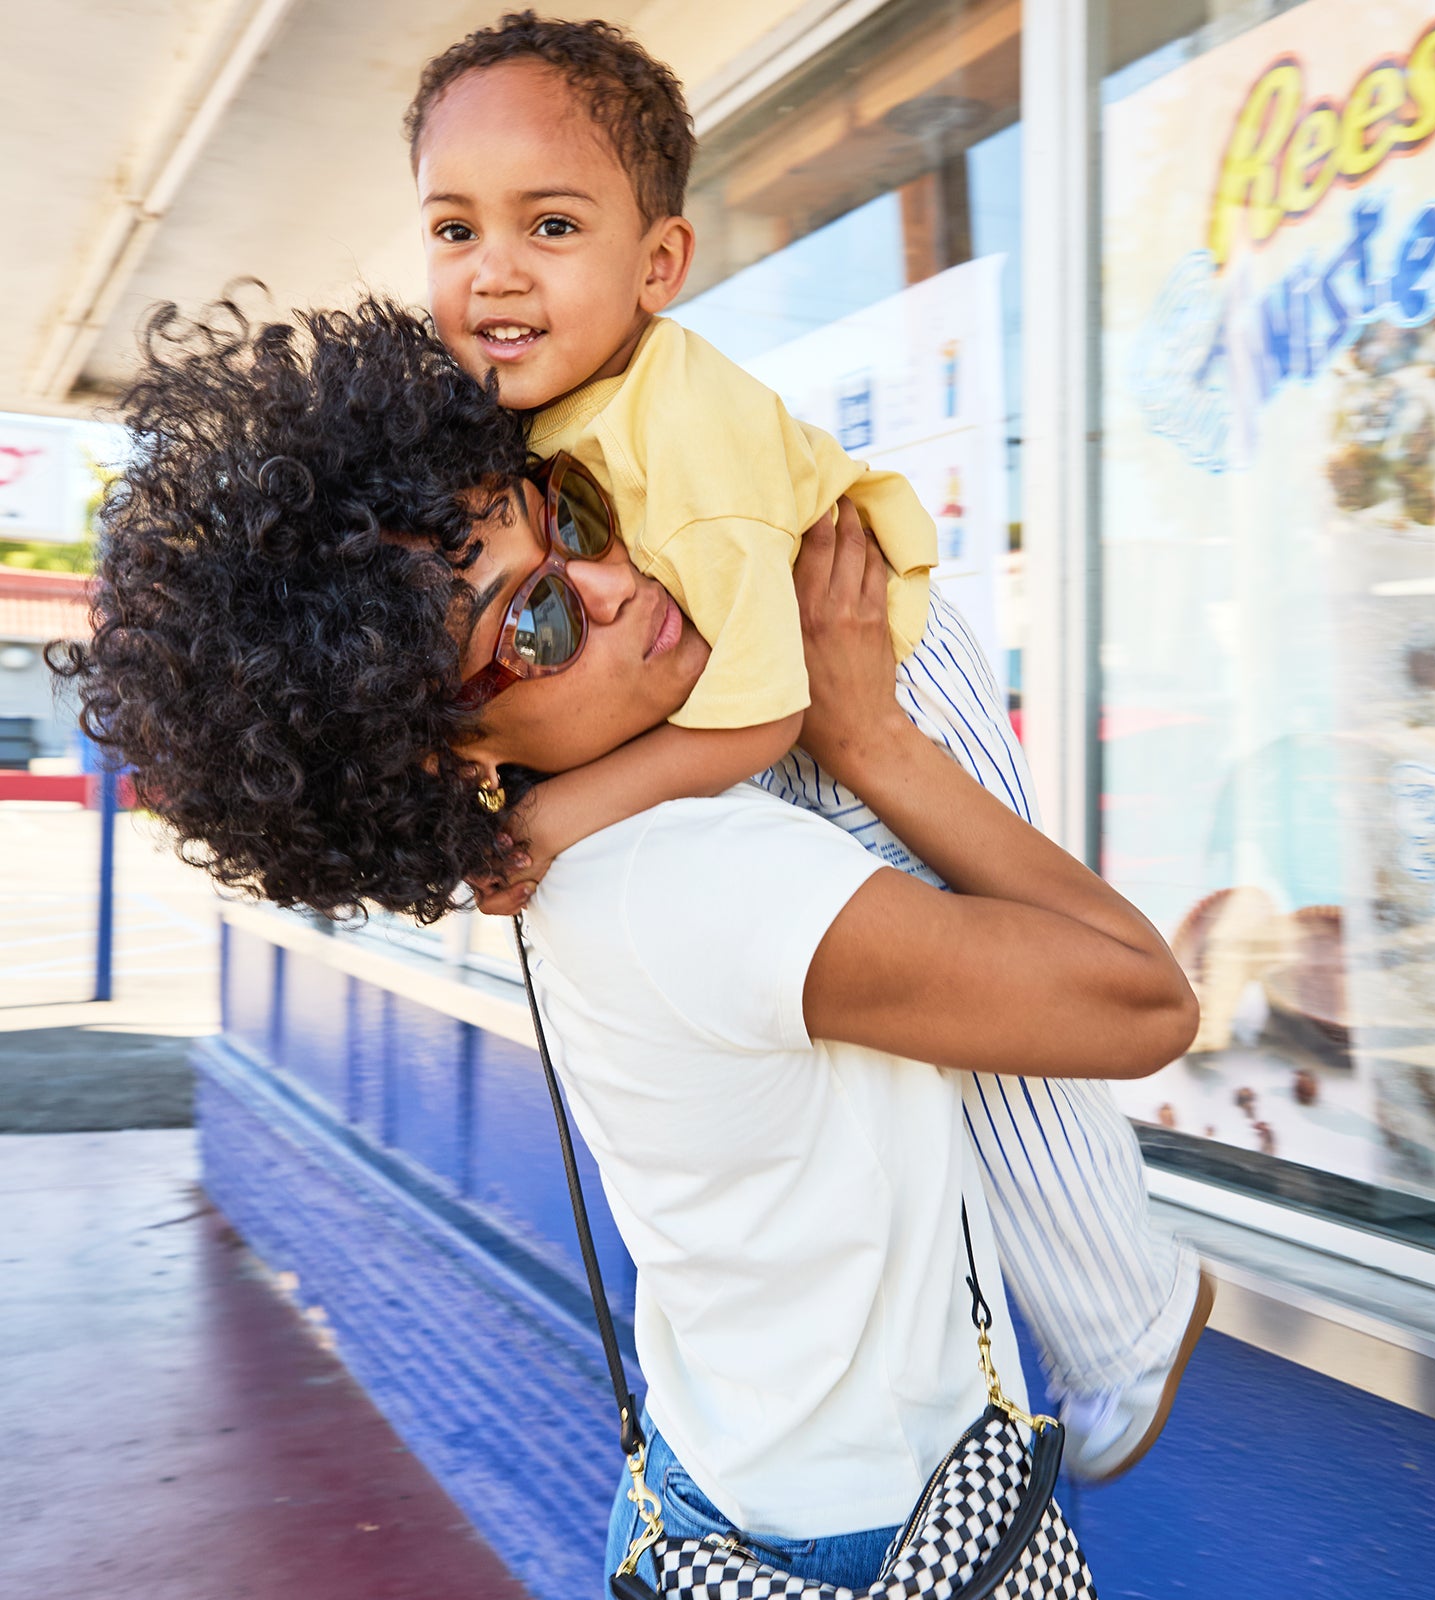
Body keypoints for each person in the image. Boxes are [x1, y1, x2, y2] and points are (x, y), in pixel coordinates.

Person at [55, 296, 1198, 1600]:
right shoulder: (693, 874)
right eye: (531, 627)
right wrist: (875, 742)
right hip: (861, 1593)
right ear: (442, 752)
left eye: (570, 526)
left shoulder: (581, 848)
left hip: (757, 1514)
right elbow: (1142, 1002)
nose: (614, 585)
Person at [403, 12, 1211, 1478]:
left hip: (879, 672)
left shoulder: (679, 431)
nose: (494, 270)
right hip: (776, 717)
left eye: (552, 224)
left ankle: (1126, 1319)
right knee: (949, 1026)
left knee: (1004, 1035)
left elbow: (770, 713)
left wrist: (558, 813)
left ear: (659, 266)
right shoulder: (531, 430)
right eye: (455, 227)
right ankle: (1104, 1318)